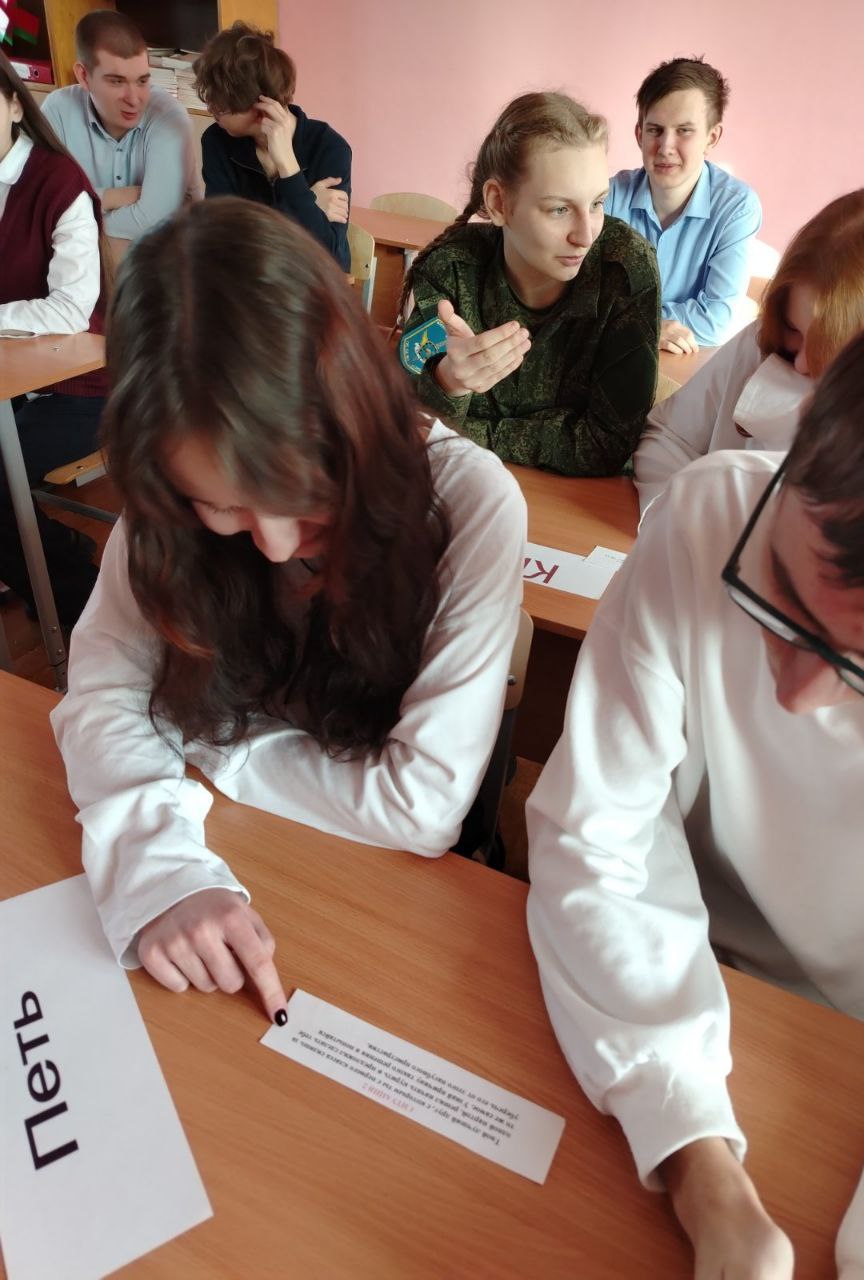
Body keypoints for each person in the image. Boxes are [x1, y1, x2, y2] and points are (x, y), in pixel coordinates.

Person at [526, 279, 864, 1278]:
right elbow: (601, 834)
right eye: (778, 595)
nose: (799, 694)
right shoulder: (711, 513)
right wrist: (698, 1162)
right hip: (672, 983)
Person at [51, 198, 525, 1023]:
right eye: (222, 507)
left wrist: (204, 747)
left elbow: (419, 809)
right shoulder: (170, 487)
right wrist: (162, 869)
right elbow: (101, 690)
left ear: (351, 417)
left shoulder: (470, 501)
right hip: (243, 853)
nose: (272, 545)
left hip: (384, 906)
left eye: (297, 492)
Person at [634, 187, 864, 516]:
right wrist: (680, 521)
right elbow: (670, 435)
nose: (801, 364)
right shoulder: (758, 343)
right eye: (793, 329)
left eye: (828, 348)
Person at [399, 91, 660, 478]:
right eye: (560, 209)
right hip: (461, 487)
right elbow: (409, 427)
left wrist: (472, 431)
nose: (585, 236)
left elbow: (608, 443)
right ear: (498, 204)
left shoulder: (624, 269)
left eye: (596, 203)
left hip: (579, 504)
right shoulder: (449, 270)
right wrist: (449, 382)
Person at [0, 48, 106, 628]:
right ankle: (47, 551)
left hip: (82, 385)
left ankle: (82, 612)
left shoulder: (57, 181)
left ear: (15, 105)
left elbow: (70, 310)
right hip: (13, 379)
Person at [605, 56, 761, 354]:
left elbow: (715, 321)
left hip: (683, 366)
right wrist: (644, 326)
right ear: (639, 134)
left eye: (684, 131)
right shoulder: (609, 196)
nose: (665, 147)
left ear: (712, 137)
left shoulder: (737, 208)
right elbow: (578, 301)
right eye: (655, 130)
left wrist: (628, 321)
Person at [193, 22, 351, 272]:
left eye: (220, 107)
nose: (211, 110)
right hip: (244, 282)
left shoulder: (329, 147)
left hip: (309, 285)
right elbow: (219, 242)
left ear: (260, 109)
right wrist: (307, 205)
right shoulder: (217, 141)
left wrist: (288, 166)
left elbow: (327, 255)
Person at [42, 10, 201, 248]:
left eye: (142, 81)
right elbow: (41, 205)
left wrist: (73, 217)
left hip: (164, 260)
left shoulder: (169, 117)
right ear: (84, 76)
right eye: (117, 82)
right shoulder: (57, 110)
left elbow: (151, 221)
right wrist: (114, 197)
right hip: (77, 260)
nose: (134, 99)